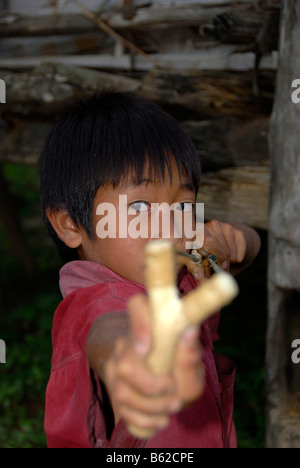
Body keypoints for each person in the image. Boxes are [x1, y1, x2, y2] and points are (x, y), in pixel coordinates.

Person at [40, 93, 261, 448]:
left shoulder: (179, 282)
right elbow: (109, 330)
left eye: (183, 205)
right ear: (70, 224)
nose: (170, 227)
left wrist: (235, 239)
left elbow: (248, 252)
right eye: (140, 206)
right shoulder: (98, 303)